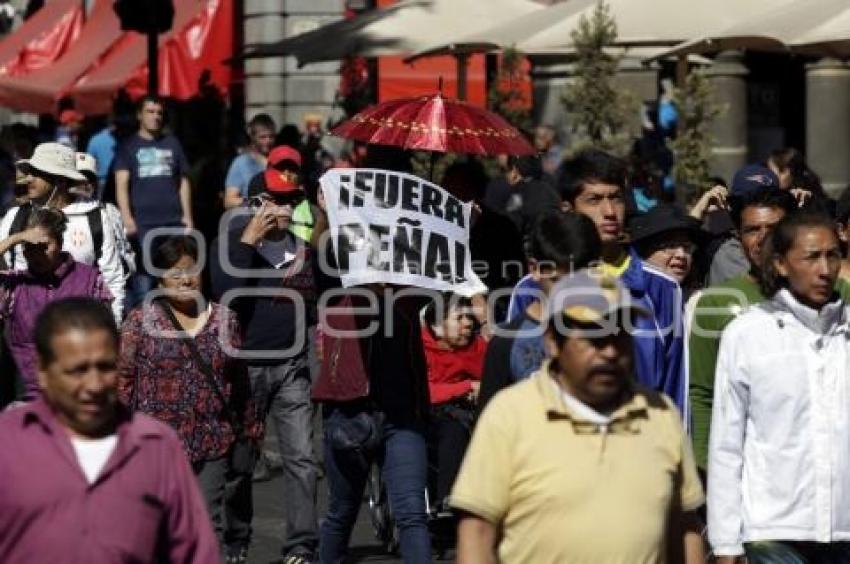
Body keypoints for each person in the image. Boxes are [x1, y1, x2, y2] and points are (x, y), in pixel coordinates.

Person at [453, 270, 705, 564]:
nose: (609, 351)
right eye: (593, 337)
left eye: (619, 335)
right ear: (553, 342)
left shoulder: (660, 416)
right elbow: (477, 533)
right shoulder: (509, 416)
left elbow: (684, 528)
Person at [0, 297, 219, 562]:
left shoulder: (156, 446)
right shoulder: (7, 445)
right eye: (77, 371)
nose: (94, 385)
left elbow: (195, 552)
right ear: (43, 372)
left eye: (105, 367)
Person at [708, 211, 850, 562]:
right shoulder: (747, 334)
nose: (825, 269)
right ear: (781, 264)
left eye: (833, 255)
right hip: (772, 533)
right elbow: (727, 444)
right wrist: (726, 542)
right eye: (812, 257)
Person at [511, 149, 687, 415]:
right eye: (594, 200)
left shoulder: (662, 289)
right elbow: (514, 382)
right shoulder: (532, 287)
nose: (609, 212)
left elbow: (676, 393)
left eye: (616, 198)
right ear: (568, 209)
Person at [117, 235, 260, 553]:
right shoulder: (139, 322)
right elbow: (122, 382)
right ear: (159, 277)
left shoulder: (225, 320)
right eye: (174, 271)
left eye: (191, 269)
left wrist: (251, 429)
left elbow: (239, 380)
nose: (185, 278)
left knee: (206, 527)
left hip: (212, 442)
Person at [210, 167, 318, 563]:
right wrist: (247, 242)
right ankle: (237, 541)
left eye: (293, 200)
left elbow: (323, 293)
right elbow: (223, 296)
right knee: (240, 464)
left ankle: (302, 545)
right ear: (256, 204)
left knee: (303, 460)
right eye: (279, 200)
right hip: (246, 367)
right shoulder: (231, 244)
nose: (288, 208)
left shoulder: (303, 249)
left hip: (292, 366)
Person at [687, 189, 803, 471]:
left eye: (774, 229)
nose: (763, 238)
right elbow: (702, 394)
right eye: (752, 230)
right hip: (747, 468)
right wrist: (705, 466)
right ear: (739, 238)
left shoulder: (834, 294)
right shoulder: (714, 305)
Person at [478, 211, 601, 412]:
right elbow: (488, 429)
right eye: (558, 281)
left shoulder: (613, 337)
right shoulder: (507, 342)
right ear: (535, 269)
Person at [0, 142, 127, 321]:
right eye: (29, 172)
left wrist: (114, 327)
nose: (28, 179)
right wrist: (17, 238)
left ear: (59, 180)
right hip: (26, 333)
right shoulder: (16, 216)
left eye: (37, 173)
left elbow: (112, 277)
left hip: (80, 326)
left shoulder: (95, 217)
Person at [0, 207, 114, 399]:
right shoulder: (14, 285)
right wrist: (15, 238)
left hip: (78, 391)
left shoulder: (89, 279)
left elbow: (105, 334)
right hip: (28, 391)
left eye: (44, 246)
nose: (36, 255)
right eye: (29, 247)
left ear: (60, 243)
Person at [114, 95, 193, 308]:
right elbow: (121, 183)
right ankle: (143, 327)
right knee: (145, 278)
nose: (155, 117)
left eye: (159, 112)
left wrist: (187, 217)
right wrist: (127, 217)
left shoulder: (172, 143)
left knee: (177, 273)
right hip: (144, 223)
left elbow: (183, 181)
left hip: (174, 220)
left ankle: (174, 321)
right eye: (150, 111)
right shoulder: (128, 146)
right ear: (139, 115)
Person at [422, 293, 487, 512]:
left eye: (469, 318)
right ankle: (448, 497)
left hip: (473, 411)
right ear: (437, 325)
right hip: (433, 416)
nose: (468, 323)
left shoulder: (479, 347)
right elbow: (424, 392)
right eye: (459, 318)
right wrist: (466, 387)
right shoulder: (420, 347)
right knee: (453, 430)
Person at [629, 204, 706, 291]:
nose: (681, 255)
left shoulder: (699, 301)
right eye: (670, 246)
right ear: (644, 252)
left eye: (687, 247)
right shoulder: (628, 297)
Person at [224, 114, 276, 210]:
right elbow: (229, 201)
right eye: (262, 137)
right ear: (252, 137)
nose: (268, 141)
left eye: (271, 137)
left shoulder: (281, 161)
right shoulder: (241, 163)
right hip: (252, 219)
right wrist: (256, 201)